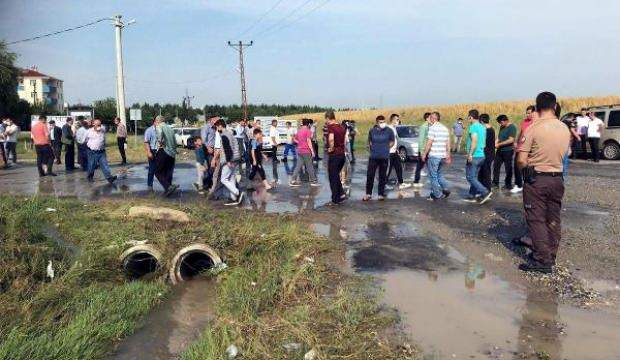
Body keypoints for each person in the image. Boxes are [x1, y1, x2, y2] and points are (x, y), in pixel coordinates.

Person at [516, 91, 570, 274]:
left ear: (537, 107)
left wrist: (528, 164)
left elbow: (521, 159)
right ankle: (551, 254)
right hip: (557, 178)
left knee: (536, 218)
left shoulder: (533, 128)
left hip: (537, 178)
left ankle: (542, 259)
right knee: (553, 217)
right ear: (555, 106)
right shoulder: (564, 128)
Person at [463, 110, 492, 204]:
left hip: (474, 156)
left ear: (471, 117)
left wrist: (470, 154)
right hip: (481, 155)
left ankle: (484, 192)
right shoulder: (482, 127)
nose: (468, 119)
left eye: (468, 117)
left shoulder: (473, 126)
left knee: (470, 177)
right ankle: (472, 195)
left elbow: (474, 141)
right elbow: (483, 142)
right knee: (474, 176)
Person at [363, 115, 395, 201]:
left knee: (382, 176)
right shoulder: (372, 131)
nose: (383, 123)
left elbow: (392, 141)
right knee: (370, 175)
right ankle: (368, 194)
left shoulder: (389, 131)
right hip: (373, 157)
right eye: (381, 122)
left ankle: (380, 194)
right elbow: (369, 142)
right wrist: (371, 148)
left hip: (384, 156)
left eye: (384, 121)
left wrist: (386, 147)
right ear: (377, 123)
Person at [213, 119, 244, 205]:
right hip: (236, 158)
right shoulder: (230, 133)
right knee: (231, 178)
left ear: (220, 126)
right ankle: (233, 198)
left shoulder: (224, 135)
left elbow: (227, 149)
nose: (216, 129)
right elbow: (234, 146)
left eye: (216, 127)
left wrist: (228, 161)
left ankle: (238, 193)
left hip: (230, 159)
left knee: (223, 179)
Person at [422, 112, 451, 201]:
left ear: (434, 118)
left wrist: (424, 153)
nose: (429, 119)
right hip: (442, 156)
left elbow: (429, 143)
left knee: (433, 176)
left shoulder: (432, 128)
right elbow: (448, 143)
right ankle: (446, 188)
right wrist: (448, 154)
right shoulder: (445, 128)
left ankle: (437, 194)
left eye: (430, 117)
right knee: (439, 175)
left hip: (434, 155)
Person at [511, 105, 536, 194]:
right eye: (527, 113)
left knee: (528, 167)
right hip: (520, 147)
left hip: (530, 148)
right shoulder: (524, 122)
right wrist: (516, 143)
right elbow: (521, 133)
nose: (527, 115)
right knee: (517, 165)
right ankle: (518, 184)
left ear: (534, 113)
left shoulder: (536, 123)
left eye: (529, 113)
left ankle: (528, 185)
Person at [84, 118, 117, 184]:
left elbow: (104, 135)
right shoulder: (89, 132)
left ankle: (109, 178)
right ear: (94, 125)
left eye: (100, 124)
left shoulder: (103, 129)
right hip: (92, 152)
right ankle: (90, 177)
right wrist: (90, 145)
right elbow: (85, 140)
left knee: (105, 165)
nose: (99, 126)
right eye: (98, 125)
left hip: (101, 151)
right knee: (91, 165)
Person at [326, 110, 347, 205]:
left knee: (332, 178)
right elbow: (345, 141)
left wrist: (331, 148)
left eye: (326, 120)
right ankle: (341, 194)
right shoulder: (341, 127)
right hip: (342, 155)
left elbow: (331, 139)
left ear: (328, 118)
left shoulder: (331, 127)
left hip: (335, 155)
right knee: (336, 176)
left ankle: (335, 200)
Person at [289, 118, 319, 186]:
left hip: (300, 150)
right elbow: (309, 141)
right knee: (310, 166)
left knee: (298, 166)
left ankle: (293, 180)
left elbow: (294, 139)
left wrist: (300, 143)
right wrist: (312, 151)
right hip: (306, 151)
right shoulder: (308, 131)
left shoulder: (299, 130)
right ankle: (314, 181)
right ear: (308, 124)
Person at [154, 115, 178, 196]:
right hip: (172, 153)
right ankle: (168, 190)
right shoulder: (170, 128)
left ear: (158, 121)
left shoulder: (159, 126)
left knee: (157, 171)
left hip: (164, 151)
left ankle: (168, 187)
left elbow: (160, 135)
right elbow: (175, 141)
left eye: (156, 122)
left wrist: (159, 141)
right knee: (168, 172)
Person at [386, 114, 411, 190]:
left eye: (398, 119)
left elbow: (395, 140)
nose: (398, 121)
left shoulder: (394, 128)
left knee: (398, 167)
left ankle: (401, 183)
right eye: (397, 119)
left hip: (394, 152)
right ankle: (383, 184)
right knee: (388, 169)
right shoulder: (388, 128)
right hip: (389, 153)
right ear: (392, 120)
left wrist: (396, 149)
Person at [493, 115, 517, 189]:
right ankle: (495, 182)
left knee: (508, 168)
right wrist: (495, 143)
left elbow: (511, 140)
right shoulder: (502, 127)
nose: (500, 124)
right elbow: (499, 137)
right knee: (496, 166)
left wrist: (499, 144)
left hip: (508, 151)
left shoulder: (512, 127)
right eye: (499, 123)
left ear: (506, 120)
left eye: (501, 122)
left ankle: (508, 184)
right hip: (500, 150)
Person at [477, 114, 495, 192]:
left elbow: (482, 143)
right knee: (482, 173)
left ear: (481, 121)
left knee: (486, 173)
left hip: (487, 154)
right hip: (489, 154)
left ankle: (487, 190)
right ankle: (481, 189)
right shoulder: (491, 129)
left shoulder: (486, 130)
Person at [413, 113, 431, 187]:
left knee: (430, 166)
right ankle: (416, 181)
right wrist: (421, 151)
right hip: (423, 150)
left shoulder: (430, 126)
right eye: (430, 118)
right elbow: (421, 140)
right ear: (427, 118)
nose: (432, 119)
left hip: (429, 150)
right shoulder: (423, 127)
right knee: (420, 166)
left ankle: (433, 182)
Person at [561, 113, 580, 178]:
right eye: (573, 118)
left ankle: (561, 171)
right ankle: (564, 172)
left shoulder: (562, 122)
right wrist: (578, 137)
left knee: (563, 156)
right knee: (566, 156)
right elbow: (572, 130)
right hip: (567, 140)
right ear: (571, 117)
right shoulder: (570, 122)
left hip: (561, 140)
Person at [143, 117, 160, 190]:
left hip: (160, 150)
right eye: (158, 122)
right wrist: (149, 152)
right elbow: (146, 142)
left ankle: (168, 185)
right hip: (152, 150)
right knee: (152, 169)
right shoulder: (149, 130)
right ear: (154, 122)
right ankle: (149, 185)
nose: (159, 123)